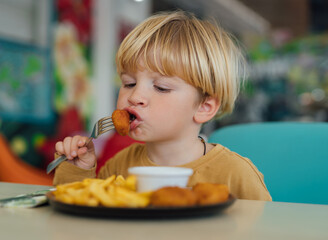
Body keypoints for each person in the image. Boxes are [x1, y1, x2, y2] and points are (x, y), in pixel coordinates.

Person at [53, 11, 272, 201]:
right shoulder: (119, 166)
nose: (135, 96)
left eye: (161, 87)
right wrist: (77, 171)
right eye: (129, 83)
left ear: (204, 107)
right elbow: (83, 222)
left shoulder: (236, 175)